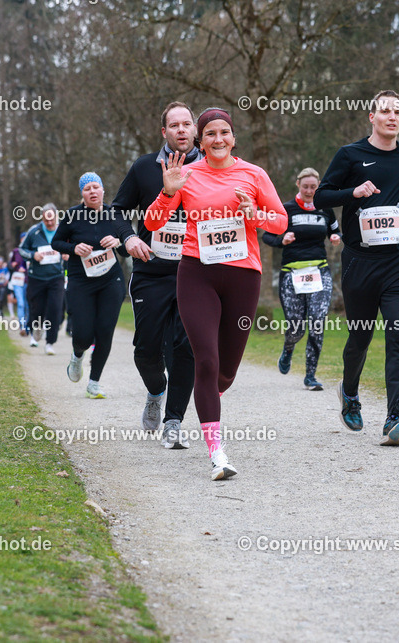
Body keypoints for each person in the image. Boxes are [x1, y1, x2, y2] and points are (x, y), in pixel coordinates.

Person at [145, 108, 287, 480]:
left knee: (225, 372)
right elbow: (152, 223)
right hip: (196, 275)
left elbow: (280, 221)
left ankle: (213, 394)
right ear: (199, 140)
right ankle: (217, 452)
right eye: (209, 134)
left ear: (233, 137)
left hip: (243, 276)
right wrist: (166, 192)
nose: (218, 139)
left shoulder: (253, 174)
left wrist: (254, 214)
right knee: (204, 361)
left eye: (224, 132)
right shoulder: (185, 175)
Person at [314, 90, 399, 446]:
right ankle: (350, 393)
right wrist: (353, 193)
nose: (392, 116)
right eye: (385, 111)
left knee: (398, 334)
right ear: (371, 116)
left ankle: (393, 418)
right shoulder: (351, 155)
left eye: (398, 111)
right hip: (360, 262)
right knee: (360, 336)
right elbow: (321, 196)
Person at [112, 101, 199, 449]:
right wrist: (129, 237)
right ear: (164, 132)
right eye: (174, 125)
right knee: (146, 350)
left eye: (186, 124)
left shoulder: (210, 169)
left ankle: (174, 421)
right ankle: (155, 390)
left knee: (186, 346)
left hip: (195, 272)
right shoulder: (145, 167)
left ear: (194, 130)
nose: (181, 130)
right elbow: (116, 211)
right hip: (151, 270)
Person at [262, 167, 341, 391]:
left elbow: (337, 231)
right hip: (291, 274)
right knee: (296, 328)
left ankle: (310, 376)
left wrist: (336, 237)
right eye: (305, 186)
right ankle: (288, 350)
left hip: (319, 272)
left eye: (313, 187)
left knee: (317, 322)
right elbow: (267, 235)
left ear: (318, 187)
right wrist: (282, 240)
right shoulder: (285, 209)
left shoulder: (325, 209)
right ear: (298, 185)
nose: (309, 191)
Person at [50, 173, 128, 398]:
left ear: (103, 190)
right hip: (81, 281)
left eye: (96, 187)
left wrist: (119, 241)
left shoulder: (115, 214)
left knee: (105, 332)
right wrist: (74, 248)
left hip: (110, 281)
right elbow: (56, 242)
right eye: (87, 189)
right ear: (82, 194)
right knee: (83, 334)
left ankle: (94, 383)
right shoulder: (73, 215)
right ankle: (77, 355)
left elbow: (128, 247)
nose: (92, 191)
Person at [20, 205, 66, 354]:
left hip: (56, 277)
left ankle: (50, 343)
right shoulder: (34, 231)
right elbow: (22, 249)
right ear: (42, 219)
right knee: (37, 309)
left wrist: (68, 253)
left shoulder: (63, 230)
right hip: (36, 278)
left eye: (52, 219)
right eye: (46, 220)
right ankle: (36, 328)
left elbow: (72, 246)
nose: (50, 223)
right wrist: (33, 255)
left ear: (56, 217)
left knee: (55, 309)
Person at [9, 235, 29, 335]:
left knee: (27, 305)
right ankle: (22, 327)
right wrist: (13, 265)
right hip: (17, 281)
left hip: (28, 280)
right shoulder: (16, 251)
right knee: (20, 304)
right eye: (23, 238)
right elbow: (10, 265)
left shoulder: (31, 250)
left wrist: (26, 270)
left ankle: (28, 327)